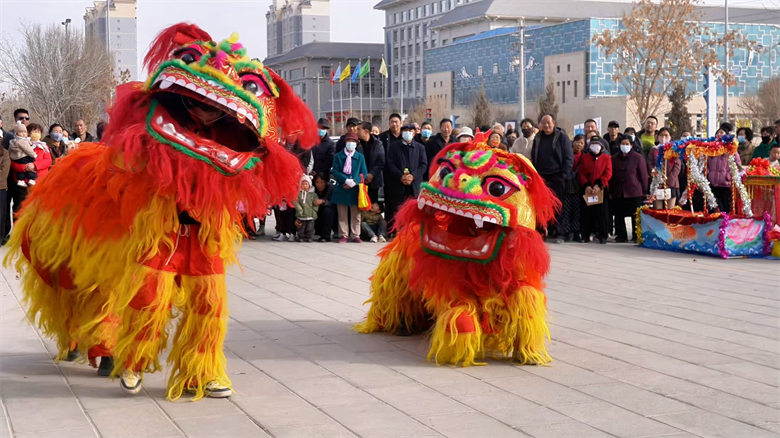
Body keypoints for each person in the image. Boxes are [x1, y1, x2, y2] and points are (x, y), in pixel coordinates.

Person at [531, 114, 573, 244]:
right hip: (541, 177)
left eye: (548, 123)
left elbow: (568, 157)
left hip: (557, 176)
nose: (546, 125)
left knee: (558, 206)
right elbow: (534, 155)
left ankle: (560, 233)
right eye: (544, 123)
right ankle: (541, 232)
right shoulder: (538, 137)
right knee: (540, 206)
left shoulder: (562, 137)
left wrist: (563, 175)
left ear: (553, 123)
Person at [384, 124, 427, 234]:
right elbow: (390, 163)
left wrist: (413, 176)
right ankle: (399, 231)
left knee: (414, 210)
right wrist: (400, 176)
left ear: (414, 133)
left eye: (410, 130)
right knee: (399, 209)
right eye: (405, 131)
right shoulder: (394, 147)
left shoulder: (420, 147)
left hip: (414, 185)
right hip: (399, 185)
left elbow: (423, 165)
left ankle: (413, 232)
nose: (408, 133)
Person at [331, 132, 368, 243]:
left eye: (353, 142)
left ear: (357, 144)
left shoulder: (360, 157)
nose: (351, 143)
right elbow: (335, 171)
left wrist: (354, 181)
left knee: (356, 214)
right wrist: (345, 180)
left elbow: (364, 172)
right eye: (349, 141)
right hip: (342, 187)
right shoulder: (338, 156)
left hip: (355, 188)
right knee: (342, 213)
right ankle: (343, 234)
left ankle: (355, 234)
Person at [611, 137, 648, 243]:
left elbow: (643, 175)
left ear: (631, 145)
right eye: (623, 143)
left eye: (627, 144)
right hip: (618, 191)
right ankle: (621, 235)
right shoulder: (614, 158)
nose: (625, 146)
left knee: (635, 215)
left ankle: (636, 235)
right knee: (619, 215)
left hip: (634, 191)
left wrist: (644, 190)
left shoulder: (638, 157)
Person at [579, 136, 612, 244]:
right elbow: (581, 173)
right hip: (588, 189)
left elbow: (608, 173)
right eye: (593, 144)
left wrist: (599, 185)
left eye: (597, 144)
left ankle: (603, 235)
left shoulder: (606, 158)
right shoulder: (585, 157)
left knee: (602, 214)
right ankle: (585, 235)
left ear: (601, 146)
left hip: (601, 189)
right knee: (586, 214)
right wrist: (587, 185)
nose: (595, 146)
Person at [707, 127, 741, 212]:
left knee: (726, 206)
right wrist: (709, 174)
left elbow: (737, 165)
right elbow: (706, 164)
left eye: (721, 132)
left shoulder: (732, 149)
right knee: (712, 206)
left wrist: (728, 176)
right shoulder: (711, 150)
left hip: (726, 184)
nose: (719, 134)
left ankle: (726, 219)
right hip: (713, 183)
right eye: (717, 133)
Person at [561, 134, 584, 242]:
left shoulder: (584, 156)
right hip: (567, 186)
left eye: (581, 143)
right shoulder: (566, 154)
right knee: (566, 210)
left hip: (579, 187)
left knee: (577, 211)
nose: (579, 145)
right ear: (573, 142)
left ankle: (576, 232)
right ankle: (567, 232)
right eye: (577, 142)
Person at [356, 121, 385, 205]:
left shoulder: (378, 144)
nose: (356, 132)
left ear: (366, 131)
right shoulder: (356, 144)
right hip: (359, 180)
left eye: (359, 129)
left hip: (374, 180)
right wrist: (363, 175)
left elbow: (381, 161)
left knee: (372, 205)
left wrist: (371, 174)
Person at [293, 175, 319, 242]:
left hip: (311, 215)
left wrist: (314, 211)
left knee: (310, 227)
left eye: (306, 184)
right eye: (303, 184)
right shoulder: (299, 194)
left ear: (309, 185)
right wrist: (299, 210)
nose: (305, 186)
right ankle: (300, 237)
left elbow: (316, 203)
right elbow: (295, 202)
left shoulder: (313, 195)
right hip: (301, 214)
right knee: (301, 227)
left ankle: (310, 237)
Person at [313, 173, 334, 242]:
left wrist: (323, 201)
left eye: (322, 182)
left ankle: (326, 236)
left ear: (326, 182)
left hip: (328, 213)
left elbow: (334, 203)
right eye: (317, 182)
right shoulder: (312, 189)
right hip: (315, 211)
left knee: (327, 211)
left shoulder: (331, 189)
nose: (320, 185)